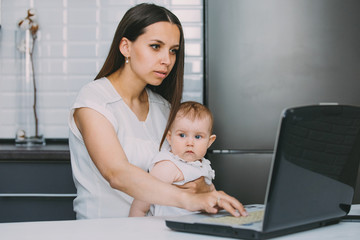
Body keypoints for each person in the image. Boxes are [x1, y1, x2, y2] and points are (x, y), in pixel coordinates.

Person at [68, 3, 247, 219]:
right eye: (155, 46)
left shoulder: (165, 108)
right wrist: (190, 199)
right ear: (126, 47)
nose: (167, 60)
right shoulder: (94, 100)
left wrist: (202, 188)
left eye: (173, 51)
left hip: (157, 230)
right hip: (104, 230)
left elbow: (182, 170)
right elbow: (117, 173)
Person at [129, 101, 218, 217]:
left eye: (197, 137)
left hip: (195, 226)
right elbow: (140, 204)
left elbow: (212, 196)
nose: (189, 143)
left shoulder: (204, 165)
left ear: (209, 142)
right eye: (182, 135)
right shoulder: (167, 166)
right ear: (170, 138)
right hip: (164, 229)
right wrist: (135, 228)